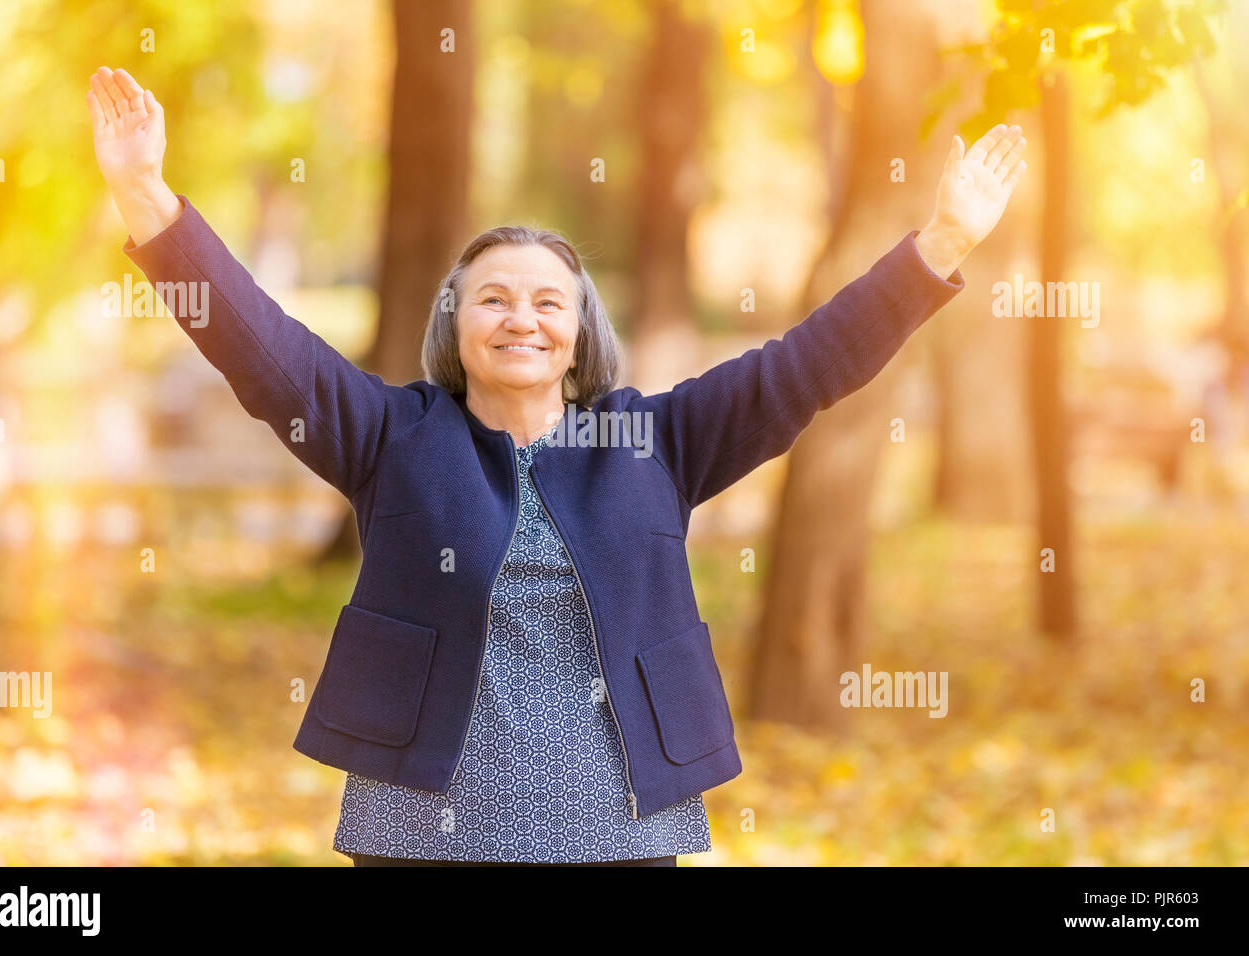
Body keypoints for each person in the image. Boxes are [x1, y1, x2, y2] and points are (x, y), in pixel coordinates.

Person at [87, 65, 1026, 867]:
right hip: (425, 828)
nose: (522, 318)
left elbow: (807, 365)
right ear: (455, 324)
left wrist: (940, 243)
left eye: (547, 302)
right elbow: (264, 350)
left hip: (618, 825)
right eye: (492, 298)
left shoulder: (657, 443)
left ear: (580, 335)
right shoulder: (391, 436)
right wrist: (148, 202)